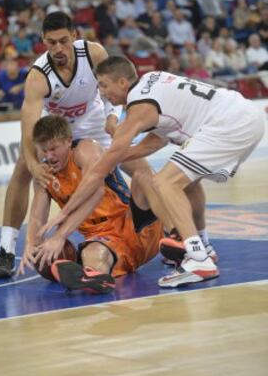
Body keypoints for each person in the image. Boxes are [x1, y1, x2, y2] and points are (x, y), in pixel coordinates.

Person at [40, 56, 265, 288]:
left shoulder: (139, 107)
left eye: (104, 85)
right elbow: (153, 143)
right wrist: (114, 156)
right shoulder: (153, 82)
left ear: (123, 83)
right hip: (244, 113)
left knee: (165, 182)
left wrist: (63, 214)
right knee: (187, 182)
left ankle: (197, 257)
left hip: (228, 123)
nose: (102, 92)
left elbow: (100, 170)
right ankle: (203, 245)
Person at [0, 11, 143, 279]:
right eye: (51, 43)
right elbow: (28, 129)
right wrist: (34, 163)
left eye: (63, 41)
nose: (58, 48)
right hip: (58, 126)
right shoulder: (38, 76)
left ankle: (178, 236)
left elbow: (110, 90)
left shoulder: (93, 53)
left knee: (141, 170)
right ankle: (6, 248)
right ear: (43, 41)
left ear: (74, 36)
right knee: (23, 169)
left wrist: (112, 117)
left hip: (95, 119)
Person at [18, 115, 163, 293]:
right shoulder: (44, 174)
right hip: (104, 240)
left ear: (68, 141)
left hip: (133, 223)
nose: (49, 156)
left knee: (143, 176)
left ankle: (178, 237)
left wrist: (60, 236)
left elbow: (97, 192)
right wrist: (31, 244)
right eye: (44, 150)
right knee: (86, 255)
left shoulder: (85, 150)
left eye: (54, 148)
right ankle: (93, 276)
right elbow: (36, 216)